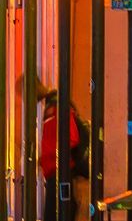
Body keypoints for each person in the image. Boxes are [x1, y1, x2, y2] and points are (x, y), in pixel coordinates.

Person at [38, 88, 90, 220]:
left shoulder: (59, 110)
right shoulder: (54, 111)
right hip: (56, 170)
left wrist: (54, 156)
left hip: (60, 170)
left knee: (58, 212)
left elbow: (72, 138)